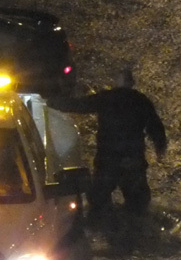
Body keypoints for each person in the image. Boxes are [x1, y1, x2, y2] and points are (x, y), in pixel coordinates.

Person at [47, 68, 167, 219]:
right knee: (137, 202)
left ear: (118, 80)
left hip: (109, 158)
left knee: (98, 198)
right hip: (133, 158)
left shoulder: (108, 98)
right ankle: (135, 229)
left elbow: (80, 105)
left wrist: (52, 102)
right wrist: (160, 147)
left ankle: (105, 225)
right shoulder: (141, 101)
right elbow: (156, 128)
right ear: (132, 82)